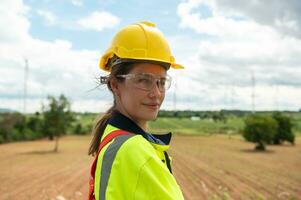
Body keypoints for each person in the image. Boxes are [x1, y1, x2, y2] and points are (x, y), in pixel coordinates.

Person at [88, 21, 185, 200]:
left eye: (161, 82)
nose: (156, 93)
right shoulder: (135, 150)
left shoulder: (112, 135)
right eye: (143, 80)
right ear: (115, 84)